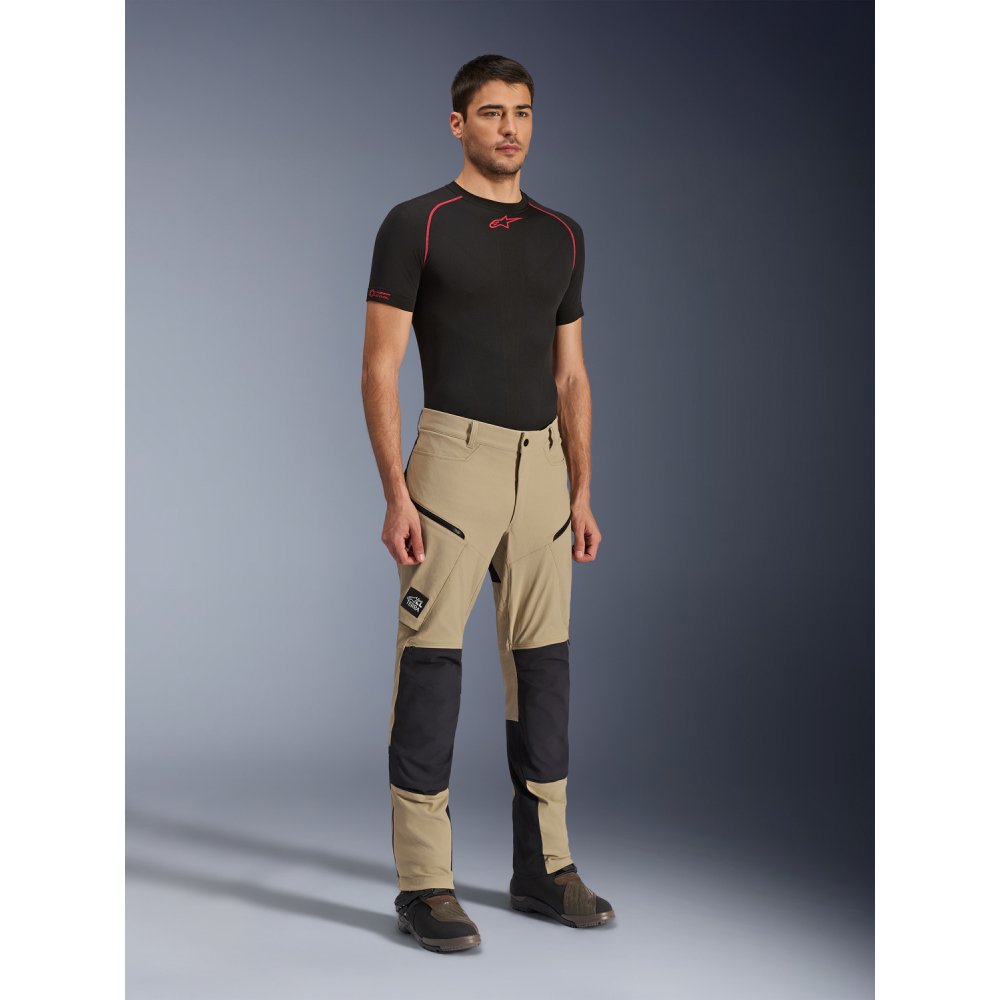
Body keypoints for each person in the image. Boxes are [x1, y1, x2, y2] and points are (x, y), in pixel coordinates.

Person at [361, 53, 614, 953]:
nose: (511, 127)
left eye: (524, 112)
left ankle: (544, 866)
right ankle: (424, 882)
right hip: (453, 463)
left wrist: (582, 490)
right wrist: (395, 493)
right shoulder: (417, 224)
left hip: (543, 470)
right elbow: (380, 367)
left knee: (544, 669)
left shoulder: (563, 235)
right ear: (458, 123)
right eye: (493, 112)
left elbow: (571, 375)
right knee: (431, 668)